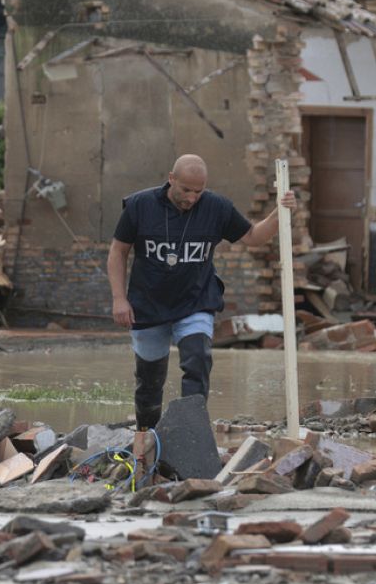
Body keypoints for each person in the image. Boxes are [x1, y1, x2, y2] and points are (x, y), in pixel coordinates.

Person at [107, 154, 297, 430]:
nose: (192, 198)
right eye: (186, 190)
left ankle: (190, 430)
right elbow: (118, 251)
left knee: (198, 359)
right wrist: (118, 299)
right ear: (171, 179)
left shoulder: (216, 207)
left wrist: (280, 211)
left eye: (199, 191)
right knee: (149, 381)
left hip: (194, 301)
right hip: (147, 303)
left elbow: (253, 237)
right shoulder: (140, 205)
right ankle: (147, 436)